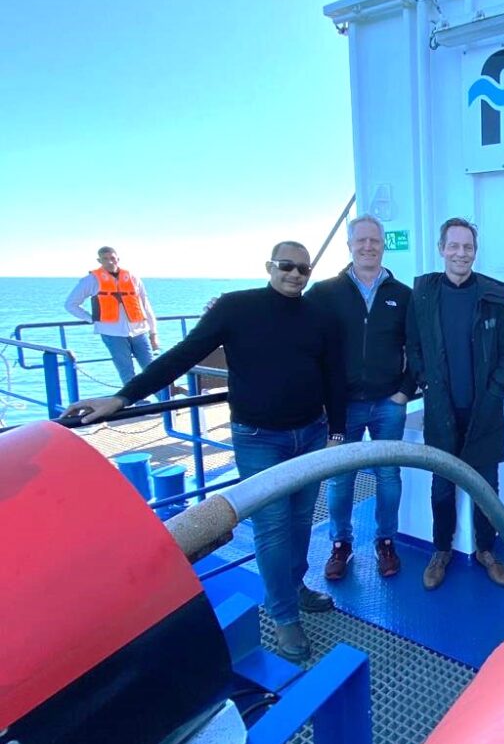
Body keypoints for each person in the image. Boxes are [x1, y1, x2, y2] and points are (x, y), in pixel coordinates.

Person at [61, 241, 345, 663]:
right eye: (287, 266)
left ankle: (295, 586)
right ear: (269, 266)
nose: (295, 275)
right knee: (272, 527)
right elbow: (181, 357)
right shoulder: (235, 308)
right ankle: (284, 616)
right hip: (259, 438)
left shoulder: (318, 316)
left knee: (302, 519)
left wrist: (336, 432)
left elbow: (332, 374)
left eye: (303, 269)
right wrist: (123, 398)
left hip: (310, 434)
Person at [406, 218, 504, 590]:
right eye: (453, 246)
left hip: (484, 411)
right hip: (441, 409)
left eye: (467, 247)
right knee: (442, 486)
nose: (460, 253)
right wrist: (425, 381)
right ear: (441, 248)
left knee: (487, 487)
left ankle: (487, 550)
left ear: (475, 251)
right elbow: (414, 346)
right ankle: (441, 550)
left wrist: (495, 392)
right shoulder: (423, 295)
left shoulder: (494, 296)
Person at [306, 214, 415, 581]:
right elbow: (293, 327)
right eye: (361, 241)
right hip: (342, 407)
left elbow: (418, 347)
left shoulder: (402, 296)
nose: (368, 247)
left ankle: (386, 542)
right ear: (349, 245)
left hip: (389, 403)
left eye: (375, 241)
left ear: (383, 245)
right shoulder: (324, 293)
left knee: (388, 476)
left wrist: (405, 390)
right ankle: (341, 545)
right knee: (340, 479)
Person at [65, 246, 159, 386]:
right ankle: (137, 404)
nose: (110, 262)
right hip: (112, 333)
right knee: (126, 371)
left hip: (139, 331)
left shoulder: (133, 278)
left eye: (112, 258)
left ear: (118, 259)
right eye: (105, 259)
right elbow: (71, 304)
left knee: (153, 370)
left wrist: (153, 333)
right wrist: (91, 318)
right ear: (99, 260)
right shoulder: (91, 280)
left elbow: (146, 306)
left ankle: (165, 402)